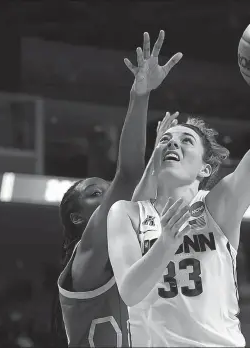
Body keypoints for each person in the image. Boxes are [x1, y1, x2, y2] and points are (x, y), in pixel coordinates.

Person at [107, 26, 250, 347]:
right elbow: (130, 292)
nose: (174, 144)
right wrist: (166, 243)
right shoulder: (127, 214)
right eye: (167, 140)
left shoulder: (217, 207)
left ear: (205, 168)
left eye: (186, 140)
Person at [51, 30, 183, 347]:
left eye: (107, 191)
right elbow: (128, 178)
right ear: (78, 219)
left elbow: (139, 192)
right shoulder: (85, 259)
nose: (111, 197)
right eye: (96, 194)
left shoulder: (135, 261)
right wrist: (141, 96)